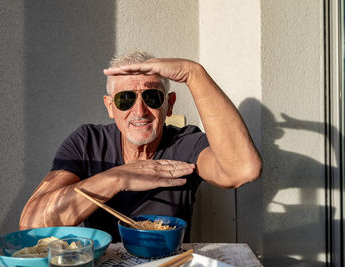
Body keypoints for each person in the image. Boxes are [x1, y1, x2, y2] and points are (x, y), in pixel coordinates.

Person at [19, 51, 262, 242]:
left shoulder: (185, 143)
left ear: (169, 104)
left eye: (152, 97)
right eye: (125, 99)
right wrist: (119, 177)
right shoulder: (87, 142)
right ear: (110, 106)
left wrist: (193, 73)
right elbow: (32, 224)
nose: (139, 111)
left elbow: (242, 170)